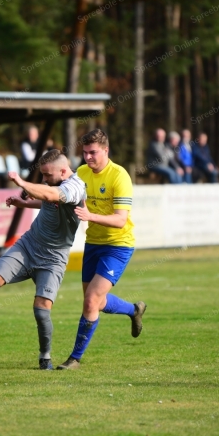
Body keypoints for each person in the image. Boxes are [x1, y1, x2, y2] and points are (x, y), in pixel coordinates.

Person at [0, 149, 86, 370]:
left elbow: (53, 196)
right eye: (42, 175)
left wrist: (21, 182)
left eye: (47, 175)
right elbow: (47, 201)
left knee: (41, 309)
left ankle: (45, 356)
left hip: (53, 258)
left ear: (63, 171)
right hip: (28, 245)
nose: (44, 179)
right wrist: (24, 204)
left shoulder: (75, 187)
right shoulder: (55, 184)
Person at [57, 129, 146, 370]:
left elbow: (120, 220)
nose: (87, 157)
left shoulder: (120, 176)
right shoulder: (82, 173)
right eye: (84, 153)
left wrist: (89, 215)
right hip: (94, 243)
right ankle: (134, 309)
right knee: (96, 301)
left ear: (106, 150)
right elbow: (61, 195)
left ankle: (74, 358)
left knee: (91, 300)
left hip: (118, 245)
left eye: (93, 152)